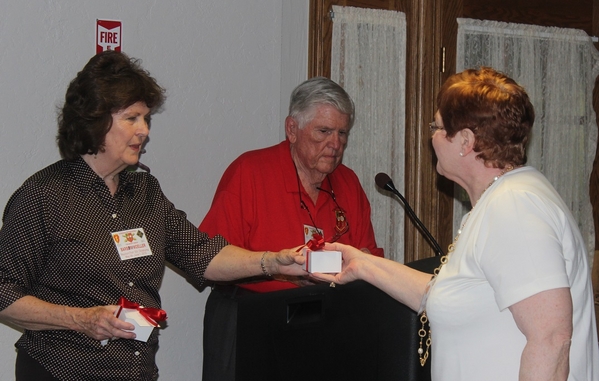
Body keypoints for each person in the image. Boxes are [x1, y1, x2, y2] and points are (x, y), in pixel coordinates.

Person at [0, 50, 307, 381]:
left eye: (147, 119)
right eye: (132, 118)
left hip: (135, 372)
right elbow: (3, 292)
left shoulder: (145, 191)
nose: (144, 130)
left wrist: (272, 263)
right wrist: (81, 319)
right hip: (61, 371)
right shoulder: (44, 195)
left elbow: (203, 254)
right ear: (95, 120)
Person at [314, 67, 599, 380]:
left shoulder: (514, 207)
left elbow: (551, 338)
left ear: (465, 141)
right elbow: (448, 295)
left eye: (437, 127)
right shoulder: (500, 201)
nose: (431, 137)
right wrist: (362, 264)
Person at [199, 76, 383, 293]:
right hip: (255, 311)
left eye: (342, 133)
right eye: (324, 131)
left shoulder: (348, 182)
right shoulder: (249, 172)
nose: (335, 144)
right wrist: (279, 271)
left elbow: (369, 255)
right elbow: (207, 258)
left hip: (330, 311)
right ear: (292, 130)